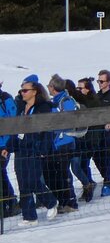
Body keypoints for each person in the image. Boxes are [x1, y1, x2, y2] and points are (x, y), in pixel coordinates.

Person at [2, 76, 58, 225]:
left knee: (33, 180)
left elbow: (48, 131)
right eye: (21, 90)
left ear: (35, 91)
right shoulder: (21, 108)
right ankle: (29, 217)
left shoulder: (44, 107)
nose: (22, 93)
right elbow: (16, 129)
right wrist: (8, 147)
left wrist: (43, 149)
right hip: (21, 149)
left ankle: (51, 202)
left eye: (25, 90)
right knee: (22, 183)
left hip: (35, 149)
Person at [45, 74, 80, 213]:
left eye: (49, 85)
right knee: (57, 173)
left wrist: (55, 129)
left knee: (64, 173)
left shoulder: (65, 100)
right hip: (58, 142)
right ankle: (64, 200)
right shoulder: (57, 100)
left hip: (65, 141)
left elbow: (69, 121)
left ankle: (71, 202)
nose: (48, 87)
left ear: (53, 87)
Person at [72, 77, 100, 202]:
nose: (78, 90)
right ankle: (88, 186)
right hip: (83, 137)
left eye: (80, 88)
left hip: (91, 138)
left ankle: (89, 186)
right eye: (77, 88)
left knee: (82, 164)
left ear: (88, 89)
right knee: (82, 164)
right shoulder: (78, 101)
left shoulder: (92, 101)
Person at [94, 69, 110, 197]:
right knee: (96, 157)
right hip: (97, 133)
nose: (99, 83)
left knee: (107, 158)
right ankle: (107, 178)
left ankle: (107, 184)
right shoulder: (97, 96)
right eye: (98, 81)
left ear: (109, 82)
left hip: (108, 133)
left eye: (102, 81)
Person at [0, 80, 17, 218]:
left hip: (3, 144)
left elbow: (13, 122)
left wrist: (6, 144)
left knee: (1, 173)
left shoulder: (5, 99)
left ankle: (10, 202)